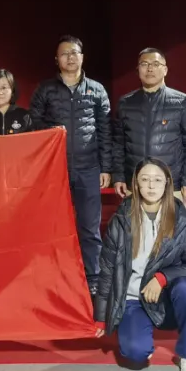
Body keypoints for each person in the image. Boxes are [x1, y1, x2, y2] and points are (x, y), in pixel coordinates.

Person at [93, 158, 186, 371]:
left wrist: (163, 277)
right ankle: (140, 332)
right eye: (145, 180)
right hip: (134, 299)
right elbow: (107, 270)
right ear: (136, 184)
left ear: (167, 184)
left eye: (157, 180)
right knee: (135, 353)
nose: (151, 186)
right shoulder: (121, 220)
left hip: (166, 298)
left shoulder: (181, 220)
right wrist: (100, 316)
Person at [29, 36, 113, 294]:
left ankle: (93, 279)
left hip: (89, 168)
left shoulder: (96, 90)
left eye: (74, 52)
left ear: (82, 57)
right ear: (57, 60)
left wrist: (106, 167)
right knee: (53, 226)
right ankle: (54, 275)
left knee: (89, 227)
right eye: (64, 54)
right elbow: (33, 122)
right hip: (55, 169)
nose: (70, 57)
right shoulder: (45, 90)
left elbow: (105, 131)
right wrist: (52, 131)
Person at [112, 48, 186, 205]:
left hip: (171, 185)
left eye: (155, 64)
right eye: (144, 64)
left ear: (165, 70)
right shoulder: (125, 103)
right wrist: (118, 177)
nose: (150, 69)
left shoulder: (182, 102)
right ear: (137, 70)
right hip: (135, 184)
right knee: (133, 222)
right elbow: (118, 145)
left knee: (171, 222)